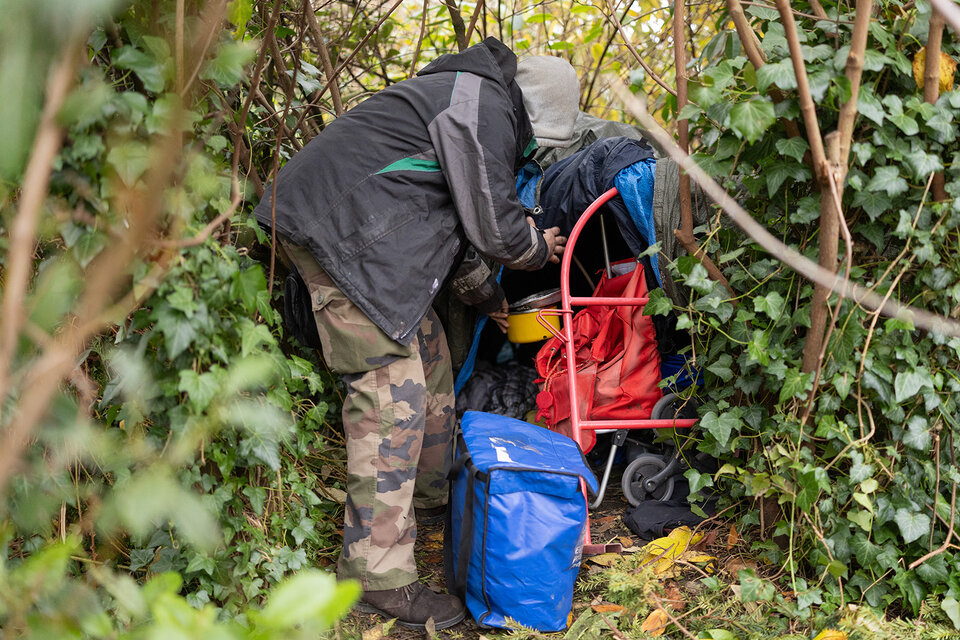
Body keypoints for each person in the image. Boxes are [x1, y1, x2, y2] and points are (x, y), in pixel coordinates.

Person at [254, 38, 580, 630]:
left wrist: (494, 300)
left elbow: (453, 234)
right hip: (339, 236)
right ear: (533, 112)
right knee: (389, 394)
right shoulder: (479, 105)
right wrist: (538, 246)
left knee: (428, 353)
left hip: (366, 238)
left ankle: (425, 501)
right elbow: (498, 230)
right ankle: (375, 575)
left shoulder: (469, 100)